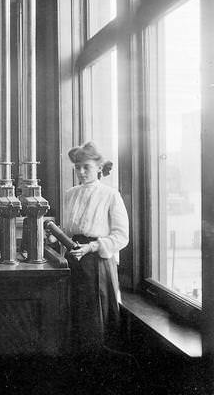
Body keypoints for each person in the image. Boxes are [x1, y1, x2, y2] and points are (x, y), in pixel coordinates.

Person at [62, 141, 129, 353]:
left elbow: (121, 237)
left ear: (99, 168)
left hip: (98, 262)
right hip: (72, 258)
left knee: (95, 317)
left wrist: (91, 247)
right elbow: (68, 229)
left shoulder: (110, 195)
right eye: (77, 167)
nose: (81, 172)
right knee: (74, 313)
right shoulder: (70, 193)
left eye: (86, 167)